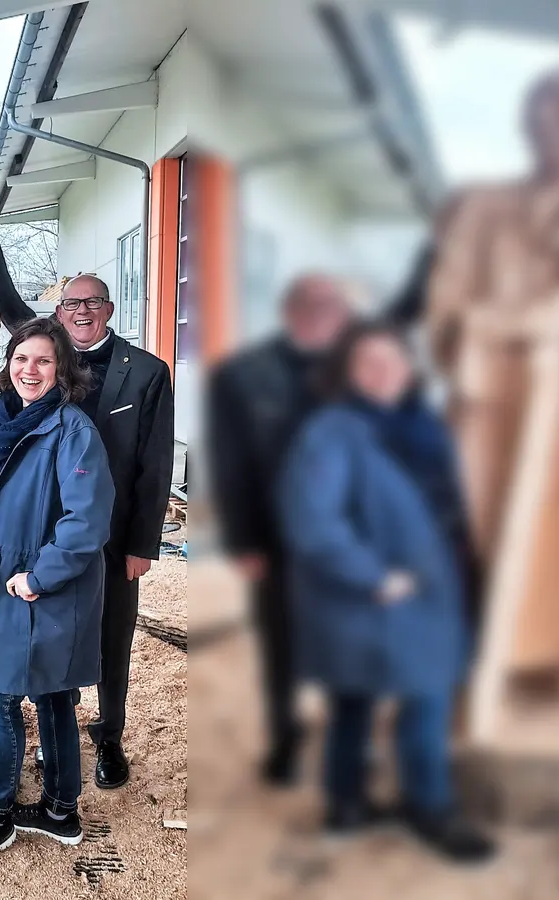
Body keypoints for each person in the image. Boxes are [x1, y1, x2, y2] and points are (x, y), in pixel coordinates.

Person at [0, 193, 174, 790]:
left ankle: (108, 739)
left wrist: (143, 544)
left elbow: (155, 466)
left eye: (92, 302)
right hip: (44, 531)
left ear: (108, 310)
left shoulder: (146, 371)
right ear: (57, 314)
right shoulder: (44, 362)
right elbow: (8, 304)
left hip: (108, 536)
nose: (82, 311)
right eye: (70, 303)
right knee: (48, 635)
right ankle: (52, 743)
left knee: (112, 640)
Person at [278, 321, 494, 863]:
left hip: (428, 585)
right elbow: (313, 521)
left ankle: (346, 803)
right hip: (378, 595)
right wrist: (373, 576)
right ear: (347, 372)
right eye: (368, 363)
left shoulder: (420, 425)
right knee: (425, 696)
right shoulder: (334, 431)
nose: (384, 372)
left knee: (357, 700)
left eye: (393, 360)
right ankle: (431, 809)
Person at [0, 318, 113, 871]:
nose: (29, 369)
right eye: (20, 358)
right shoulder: (4, 419)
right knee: (54, 693)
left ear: (62, 369)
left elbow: (87, 520)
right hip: (2, 579)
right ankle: (61, 810)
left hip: (35, 587)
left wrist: (40, 575)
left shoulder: (70, 429)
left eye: (42, 360)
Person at [206, 273, 353, 785]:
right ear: (289, 313)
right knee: (282, 645)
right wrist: (244, 540)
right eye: (310, 306)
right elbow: (230, 464)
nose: (322, 316)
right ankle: (286, 740)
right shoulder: (243, 375)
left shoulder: (366, 368)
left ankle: (347, 741)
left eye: (331, 306)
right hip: (278, 538)